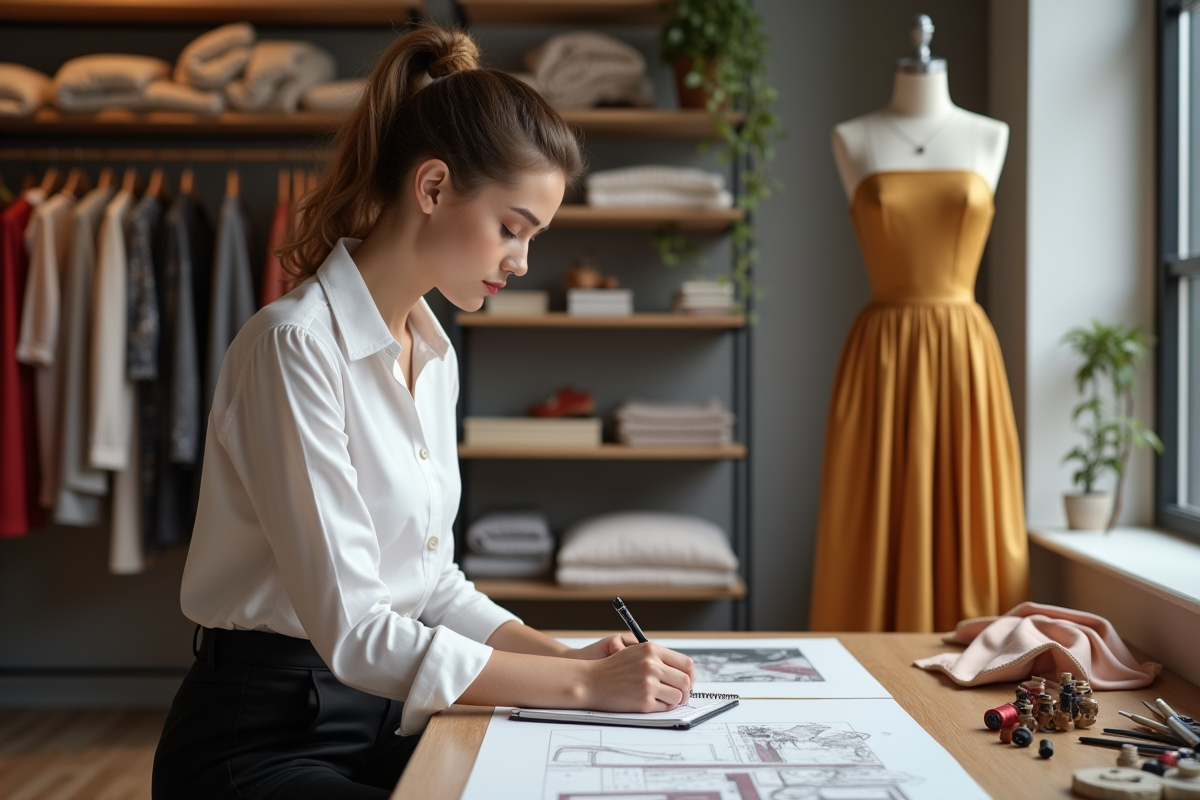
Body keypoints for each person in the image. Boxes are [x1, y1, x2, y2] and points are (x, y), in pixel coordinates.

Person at [151, 26, 696, 800]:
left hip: (392, 719)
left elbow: (432, 586)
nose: (521, 261)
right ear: (434, 188)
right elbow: (358, 630)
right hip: (263, 738)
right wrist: (582, 691)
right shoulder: (293, 347)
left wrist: (571, 661)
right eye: (512, 229)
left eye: (534, 238)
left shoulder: (430, 352)